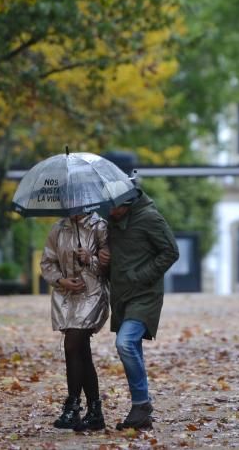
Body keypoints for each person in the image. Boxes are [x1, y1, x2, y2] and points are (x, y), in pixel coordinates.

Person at [97, 182, 179, 431]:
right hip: (122, 295)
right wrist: (103, 259)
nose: (110, 212)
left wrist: (140, 275)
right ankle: (140, 410)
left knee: (125, 342)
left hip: (145, 294)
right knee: (132, 346)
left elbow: (170, 252)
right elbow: (114, 259)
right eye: (107, 207)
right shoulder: (110, 222)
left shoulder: (150, 218)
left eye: (114, 207)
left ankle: (142, 404)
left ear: (128, 201)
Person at [39, 212, 109, 432]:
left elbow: (111, 265)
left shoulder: (100, 227)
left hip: (92, 294)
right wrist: (61, 281)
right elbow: (47, 262)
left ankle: (72, 405)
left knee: (71, 345)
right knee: (80, 351)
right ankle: (94, 411)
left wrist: (91, 259)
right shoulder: (58, 228)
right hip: (66, 295)